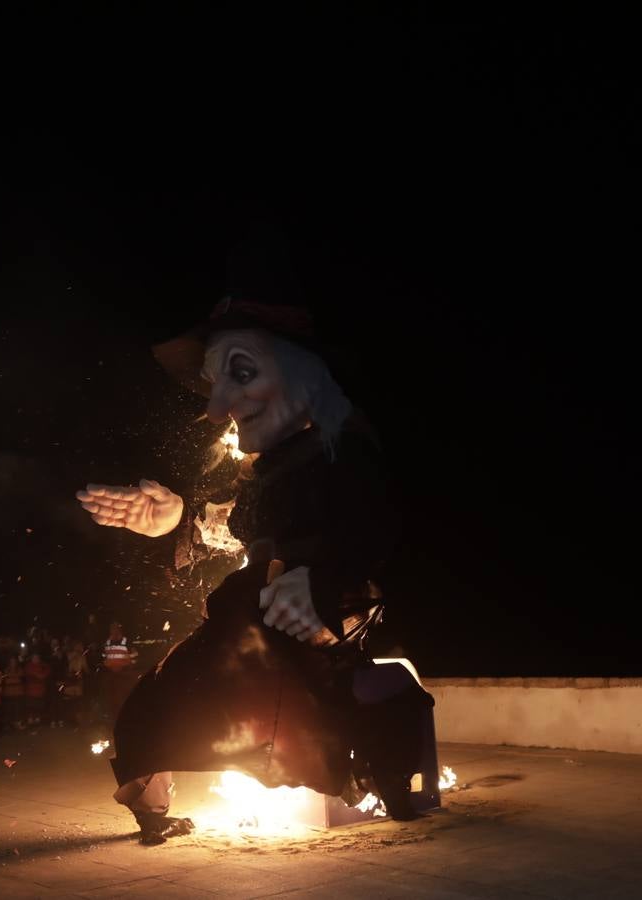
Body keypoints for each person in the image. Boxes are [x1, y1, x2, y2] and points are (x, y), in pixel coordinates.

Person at [76, 295, 430, 844]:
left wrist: (320, 581)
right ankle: (154, 809)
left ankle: (372, 778)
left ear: (302, 370)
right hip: (246, 621)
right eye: (216, 383)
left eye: (241, 373)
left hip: (315, 619)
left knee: (289, 708)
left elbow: (373, 532)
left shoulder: (342, 448)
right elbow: (237, 530)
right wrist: (176, 521)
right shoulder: (262, 469)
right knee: (155, 705)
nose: (218, 407)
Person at [99, 623, 138, 723]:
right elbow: (104, 656)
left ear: (119, 630)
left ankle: (127, 718)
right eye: (112, 629)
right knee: (111, 700)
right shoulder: (107, 642)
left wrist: (129, 667)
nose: (114, 631)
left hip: (124, 675)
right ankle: (113, 719)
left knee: (124, 699)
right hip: (111, 675)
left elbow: (134, 656)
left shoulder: (126, 642)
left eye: (115, 629)